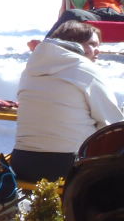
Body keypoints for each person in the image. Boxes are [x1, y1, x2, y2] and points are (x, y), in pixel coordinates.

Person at [11, 19, 124, 183]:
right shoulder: (85, 68)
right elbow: (112, 124)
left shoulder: (30, 69)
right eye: (91, 44)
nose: (97, 50)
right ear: (73, 42)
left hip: (22, 163)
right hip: (69, 166)